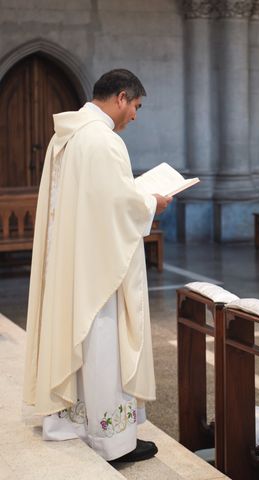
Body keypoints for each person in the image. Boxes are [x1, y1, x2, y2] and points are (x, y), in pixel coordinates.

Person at [23, 69, 172, 462]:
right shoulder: (103, 140)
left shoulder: (67, 135)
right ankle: (112, 440)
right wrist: (150, 202)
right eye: (136, 106)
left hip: (73, 261)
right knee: (103, 343)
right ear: (121, 97)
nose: (135, 116)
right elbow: (118, 206)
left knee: (79, 341)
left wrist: (132, 197)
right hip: (98, 271)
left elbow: (95, 199)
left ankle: (71, 421)